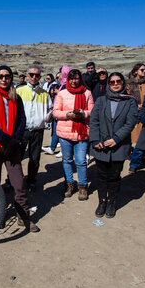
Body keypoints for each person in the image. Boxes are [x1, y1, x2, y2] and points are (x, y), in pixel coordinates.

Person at [0, 65, 39, 232]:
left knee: (19, 182)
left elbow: (22, 119)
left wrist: (15, 140)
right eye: (0, 76)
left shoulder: (16, 97)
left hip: (12, 147)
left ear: (11, 78)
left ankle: (23, 216)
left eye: (7, 76)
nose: (4, 79)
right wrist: (4, 139)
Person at [90, 72, 137, 218]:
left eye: (118, 81)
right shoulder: (101, 100)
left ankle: (112, 202)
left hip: (119, 145)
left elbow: (130, 123)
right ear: (108, 84)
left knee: (115, 175)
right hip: (101, 144)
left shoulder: (130, 101)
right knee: (102, 175)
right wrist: (95, 140)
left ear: (123, 83)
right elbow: (94, 121)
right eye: (112, 82)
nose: (115, 84)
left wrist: (116, 138)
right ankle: (102, 201)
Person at [53, 69, 94, 200]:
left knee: (81, 161)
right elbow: (55, 112)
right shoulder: (62, 93)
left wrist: (83, 114)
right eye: (71, 78)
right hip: (65, 134)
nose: (73, 81)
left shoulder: (87, 93)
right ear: (67, 79)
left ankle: (82, 186)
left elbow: (92, 111)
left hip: (81, 133)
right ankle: (69, 184)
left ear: (80, 79)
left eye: (76, 78)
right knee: (67, 160)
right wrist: (67, 115)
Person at [16, 64, 53, 192]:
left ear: (40, 77)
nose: (34, 77)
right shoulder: (19, 91)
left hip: (38, 130)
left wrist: (44, 119)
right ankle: (13, 180)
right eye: (31, 74)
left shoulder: (44, 94)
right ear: (27, 76)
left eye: (37, 75)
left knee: (35, 157)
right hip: (22, 130)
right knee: (17, 156)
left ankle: (31, 180)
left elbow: (50, 109)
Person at [127, 63, 145, 144]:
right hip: (133, 110)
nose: (144, 71)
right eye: (142, 70)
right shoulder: (129, 84)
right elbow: (127, 97)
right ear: (135, 71)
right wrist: (135, 105)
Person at [42, 80, 61, 155]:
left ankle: (59, 150)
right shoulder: (54, 96)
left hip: (60, 115)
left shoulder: (61, 91)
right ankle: (52, 148)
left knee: (58, 132)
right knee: (55, 132)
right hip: (56, 115)